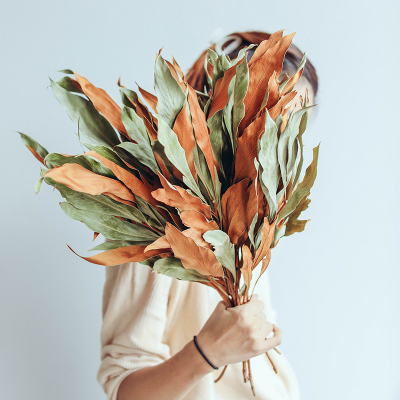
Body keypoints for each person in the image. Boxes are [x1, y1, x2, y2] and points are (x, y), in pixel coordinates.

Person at [96, 31, 319, 400]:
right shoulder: (160, 220)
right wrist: (207, 353)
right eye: (269, 115)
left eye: (294, 126)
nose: (278, 141)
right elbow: (126, 390)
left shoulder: (255, 217)